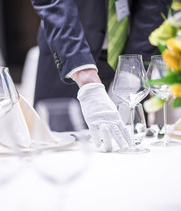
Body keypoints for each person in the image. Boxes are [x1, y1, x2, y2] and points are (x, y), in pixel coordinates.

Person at [30, 0, 172, 152]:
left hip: (129, 51)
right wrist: (85, 77)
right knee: (60, 154)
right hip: (70, 58)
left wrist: (131, 73)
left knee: (129, 153)